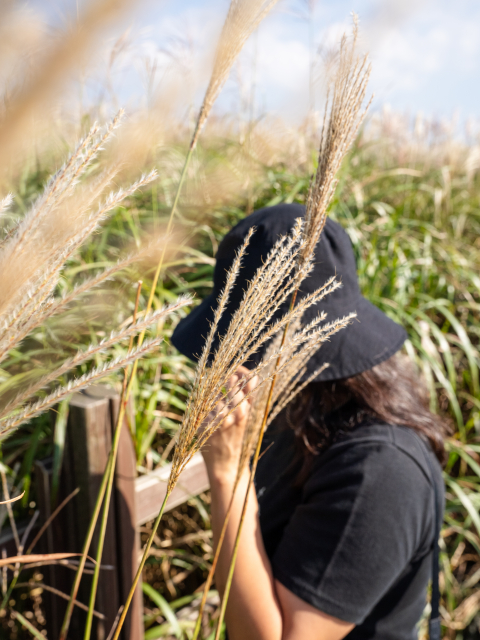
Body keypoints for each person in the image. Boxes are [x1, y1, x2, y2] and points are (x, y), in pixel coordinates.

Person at [171, 203, 449, 640]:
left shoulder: (379, 470)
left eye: (241, 353)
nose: (225, 370)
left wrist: (227, 473)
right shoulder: (298, 417)